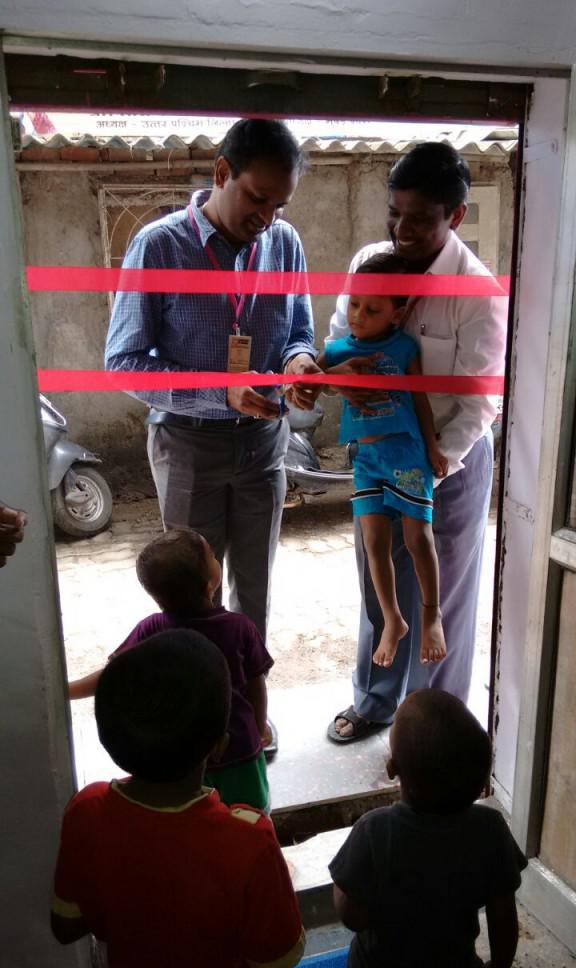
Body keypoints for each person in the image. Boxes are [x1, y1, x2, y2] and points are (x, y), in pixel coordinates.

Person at [104, 118, 320, 647]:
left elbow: (298, 332)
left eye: (279, 206)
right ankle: (205, 692)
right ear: (223, 172)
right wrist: (219, 391)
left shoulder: (285, 243)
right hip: (186, 446)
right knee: (193, 596)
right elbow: (123, 363)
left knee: (255, 585)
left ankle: (248, 687)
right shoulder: (159, 247)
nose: (267, 218)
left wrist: (298, 363)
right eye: (258, 199)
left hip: (263, 444)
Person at [327, 142, 507, 742]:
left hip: (448, 462)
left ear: (455, 215)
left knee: (441, 596)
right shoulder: (371, 263)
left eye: (420, 219)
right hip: (378, 454)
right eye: (394, 214)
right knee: (378, 577)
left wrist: (432, 462)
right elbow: (340, 336)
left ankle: (432, 729)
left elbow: (480, 400)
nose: (402, 231)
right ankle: (376, 701)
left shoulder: (478, 294)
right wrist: (334, 375)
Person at [52, 629, 305, 968]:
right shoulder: (248, 839)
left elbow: (66, 926)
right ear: (219, 745)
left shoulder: (87, 810)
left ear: (107, 735)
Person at [329, 689, 527, 968]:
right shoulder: (490, 829)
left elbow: (351, 914)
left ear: (392, 769)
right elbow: (503, 916)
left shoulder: (374, 830)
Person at [69, 529, 274, 811]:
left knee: (191, 818)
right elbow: (256, 684)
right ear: (210, 583)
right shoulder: (239, 628)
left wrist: (65, 690)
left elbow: (112, 675)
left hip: (181, 756)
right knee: (249, 814)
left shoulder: (152, 628)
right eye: (212, 556)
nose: (216, 558)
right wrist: (259, 726)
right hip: (239, 749)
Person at [319, 253, 448, 668]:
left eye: (372, 309)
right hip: (367, 461)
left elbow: (420, 399)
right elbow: (308, 381)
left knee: (417, 539)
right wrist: (331, 378)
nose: (358, 315)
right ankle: (393, 619)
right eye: (354, 304)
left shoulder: (404, 347)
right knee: (374, 544)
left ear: (397, 314)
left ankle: (431, 614)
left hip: (407, 454)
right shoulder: (337, 350)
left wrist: (433, 448)